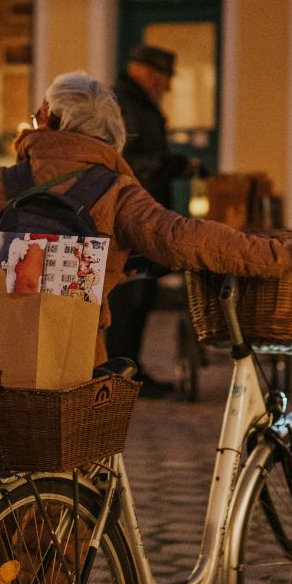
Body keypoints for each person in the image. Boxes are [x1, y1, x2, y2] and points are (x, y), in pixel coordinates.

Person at [0, 71, 292, 584]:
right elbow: (186, 238)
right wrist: (283, 252)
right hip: (76, 372)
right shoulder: (112, 187)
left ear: (47, 121)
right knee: (72, 524)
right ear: (110, 139)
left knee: (11, 508)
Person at [107, 44, 195, 396]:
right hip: (132, 216)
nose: (168, 86)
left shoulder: (138, 103)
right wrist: (172, 166)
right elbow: (128, 162)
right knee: (129, 297)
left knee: (142, 295)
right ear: (147, 72)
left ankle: (129, 368)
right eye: (165, 77)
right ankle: (120, 372)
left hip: (144, 213)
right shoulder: (126, 103)